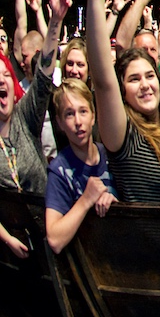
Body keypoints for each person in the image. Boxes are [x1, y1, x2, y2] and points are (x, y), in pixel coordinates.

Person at [70, 0, 160, 203]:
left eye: (149, 76)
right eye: (133, 79)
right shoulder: (124, 135)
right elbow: (102, 75)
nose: (145, 84)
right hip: (145, 243)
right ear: (122, 90)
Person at [0, 0, 71, 259]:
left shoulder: (23, 117)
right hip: (11, 250)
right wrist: (4, 238)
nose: (3, 80)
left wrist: (54, 22)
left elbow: (43, 76)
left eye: (6, 74)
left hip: (52, 239)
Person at [44, 78, 118, 254]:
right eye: (69, 114)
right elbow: (54, 239)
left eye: (83, 111)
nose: (78, 121)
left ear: (93, 116)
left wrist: (115, 203)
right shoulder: (59, 170)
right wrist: (86, 200)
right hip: (89, 262)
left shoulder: (110, 155)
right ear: (60, 123)